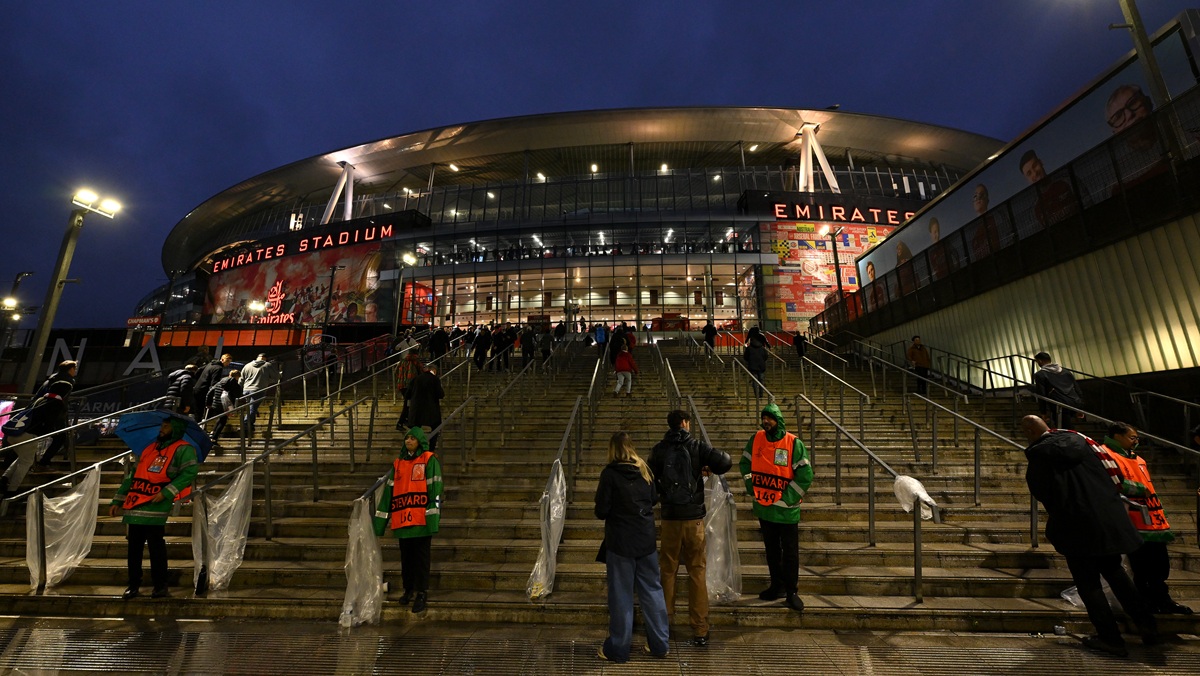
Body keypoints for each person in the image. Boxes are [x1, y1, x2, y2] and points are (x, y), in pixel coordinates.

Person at [1020, 415, 1158, 657]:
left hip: (1076, 526)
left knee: (1088, 583)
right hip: (1107, 519)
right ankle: (1147, 626)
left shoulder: (1040, 456)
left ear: (1031, 431)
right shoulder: (1083, 443)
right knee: (1116, 574)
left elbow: (1041, 491)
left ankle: (1110, 638)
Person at [648, 410, 732, 647]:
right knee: (697, 572)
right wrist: (706, 466)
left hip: (670, 519)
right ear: (685, 423)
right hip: (694, 519)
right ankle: (700, 629)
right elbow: (725, 462)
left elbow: (648, 477)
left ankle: (663, 624)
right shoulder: (697, 446)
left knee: (667, 571)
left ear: (669, 425)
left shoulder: (659, 449)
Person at [1099, 422, 1192, 615]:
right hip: (1131, 520)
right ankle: (1145, 603)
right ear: (1117, 436)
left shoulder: (1138, 459)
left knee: (1159, 565)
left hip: (1153, 519)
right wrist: (1139, 490)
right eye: (1132, 438)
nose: (1136, 442)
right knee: (1140, 568)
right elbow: (1113, 484)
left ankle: (1163, 601)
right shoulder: (1106, 455)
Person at [595, 431, 670, 662]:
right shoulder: (644, 470)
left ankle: (618, 649)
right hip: (645, 540)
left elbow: (601, 510)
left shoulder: (610, 474)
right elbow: (654, 498)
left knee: (621, 596)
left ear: (612, 449)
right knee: (653, 591)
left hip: (620, 543)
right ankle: (659, 645)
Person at [109, 418, 200, 599]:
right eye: (162, 425)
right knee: (133, 549)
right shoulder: (149, 448)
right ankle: (133, 585)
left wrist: (167, 493)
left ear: (176, 428)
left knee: (156, 548)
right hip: (135, 505)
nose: (162, 428)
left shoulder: (183, 449)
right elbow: (133, 476)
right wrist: (117, 501)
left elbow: (189, 473)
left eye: (166, 426)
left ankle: (160, 586)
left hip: (156, 505)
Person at [741, 402, 813, 612]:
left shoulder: (793, 443)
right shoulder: (756, 439)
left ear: (778, 420)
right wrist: (751, 486)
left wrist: (787, 497)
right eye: (764, 418)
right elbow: (745, 464)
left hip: (787, 511)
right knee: (772, 550)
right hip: (764, 508)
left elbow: (806, 475)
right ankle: (777, 586)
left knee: (790, 553)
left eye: (770, 418)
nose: (766, 422)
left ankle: (791, 592)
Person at [373, 427, 442, 614]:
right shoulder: (398, 464)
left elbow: (435, 489)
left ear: (420, 441)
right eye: (407, 438)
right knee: (406, 557)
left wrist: (433, 518)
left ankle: (421, 592)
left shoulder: (429, 459)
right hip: (402, 520)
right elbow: (388, 494)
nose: (408, 441)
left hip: (421, 520)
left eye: (412, 438)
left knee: (421, 558)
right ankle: (408, 589)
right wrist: (379, 523)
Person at [0, 360, 76, 495]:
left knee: (22, 457)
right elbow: (48, 421)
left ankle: (5, 478)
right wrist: (53, 431)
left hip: (17, 432)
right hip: (29, 434)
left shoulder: (42, 398)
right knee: (26, 462)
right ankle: (12, 490)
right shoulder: (56, 403)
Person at [1020, 150, 1080, 228]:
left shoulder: (1068, 181)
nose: (1035, 173)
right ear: (1027, 179)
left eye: (1035, 166)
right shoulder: (1035, 209)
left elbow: (1087, 202)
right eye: (1029, 173)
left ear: (1041, 162)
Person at [1032, 352, 1084, 426]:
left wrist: (1043, 412)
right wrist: (1080, 407)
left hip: (1058, 404)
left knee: (1062, 426)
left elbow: (1041, 394)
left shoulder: (1040, 375)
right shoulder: (1066, 372)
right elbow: (1077, 389)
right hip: (1073, 402)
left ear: (1040, 361)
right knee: (1069, 425)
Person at [239, 353, 279, 438]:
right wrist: (267, 380)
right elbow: (276, 377)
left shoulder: (247, 365)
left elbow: (241, 380)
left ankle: (250, 425)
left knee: (251, 408)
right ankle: (245, 425)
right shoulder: (267, 365)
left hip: (246, 390)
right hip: (258, 389)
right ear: (265, 358)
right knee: (253, 408)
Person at [406, 366, 444, 451]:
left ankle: (415, 448)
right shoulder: (435, 379)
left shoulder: (415, 379)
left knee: (415, 429)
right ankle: (431, 449)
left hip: (417, 409)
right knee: (435, 428)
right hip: (431, 410)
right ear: (432, 371)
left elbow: (407, 394)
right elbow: (441, 394)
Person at [192, 354, 231, 422]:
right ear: (222, 360)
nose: (228, 364)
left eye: (229, 362)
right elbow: (214, 383)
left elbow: (198, 371)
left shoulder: (210, 364)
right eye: (227, 361)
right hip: (204, 391)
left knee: (198, 412)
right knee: (204, 411)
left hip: (198, 388)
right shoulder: (219, 368)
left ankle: (197, 426)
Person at [207, 370, 242, 441]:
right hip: (225, 405)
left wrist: (208, 403)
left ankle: (212, 433)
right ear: (237, 376)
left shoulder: (220, 381)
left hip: (216, 404)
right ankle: (214, 438)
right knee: (223, 421)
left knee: (220, 419)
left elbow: (210, 392)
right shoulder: (233, 383)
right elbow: (238, 394)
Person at [969, 184, 1001, 261]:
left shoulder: (996, 218)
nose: (978, 198)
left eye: (981, 195)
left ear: (987, 200)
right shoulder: (972, 231)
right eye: (975, 196)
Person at [743, 331, 768, 398]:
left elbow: (745, 357)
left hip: (752, 366)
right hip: (761, 366)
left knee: (755, 380)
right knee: (761, 380)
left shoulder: (749, 348)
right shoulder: (762, 348)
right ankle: (761, 394)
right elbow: (766, 356)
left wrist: (750, 361)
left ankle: (756, 394)